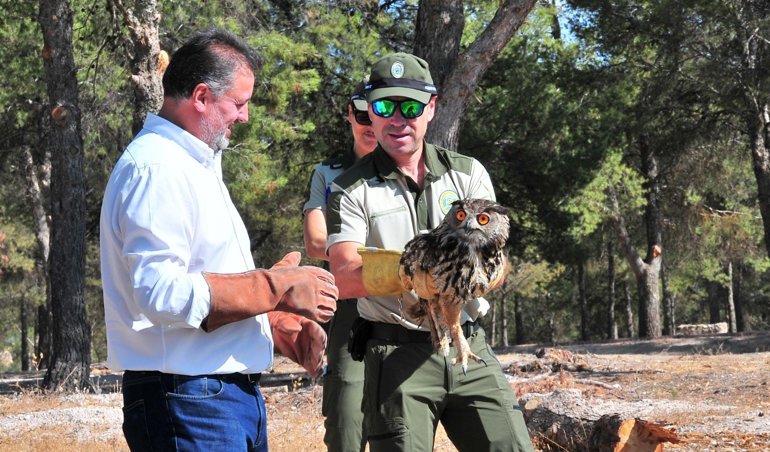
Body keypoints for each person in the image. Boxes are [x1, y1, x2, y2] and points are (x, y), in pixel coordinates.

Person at [99, 28, 338, 452]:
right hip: (187, 398)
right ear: (202, 96)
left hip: (213, 396)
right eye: (239, 103)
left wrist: (275, 325)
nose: (244, 116)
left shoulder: (194, 162)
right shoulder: (158, 168)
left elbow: (204, 282)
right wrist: (275, 287)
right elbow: (160, 293)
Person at [326, 53, 534, 451]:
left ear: (431, 108)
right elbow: (343, 275)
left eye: (410, 106)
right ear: (370, 111)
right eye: (384, 106)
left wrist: (490, 275)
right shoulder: (349, 188)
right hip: (395, 352)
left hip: (469, 344)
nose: (397, 118)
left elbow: (497, 254)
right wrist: (407, 276)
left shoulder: (468, 172)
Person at [303, 83, 377, 452]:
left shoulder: (411, 169)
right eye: (361, 114)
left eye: (375, 114)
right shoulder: (327, 174)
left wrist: (348, 244)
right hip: (350, 304)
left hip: (405, 302)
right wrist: (381, 253)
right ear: (350, 114)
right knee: (347, 411)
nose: (368, 123)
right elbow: (316, 242)